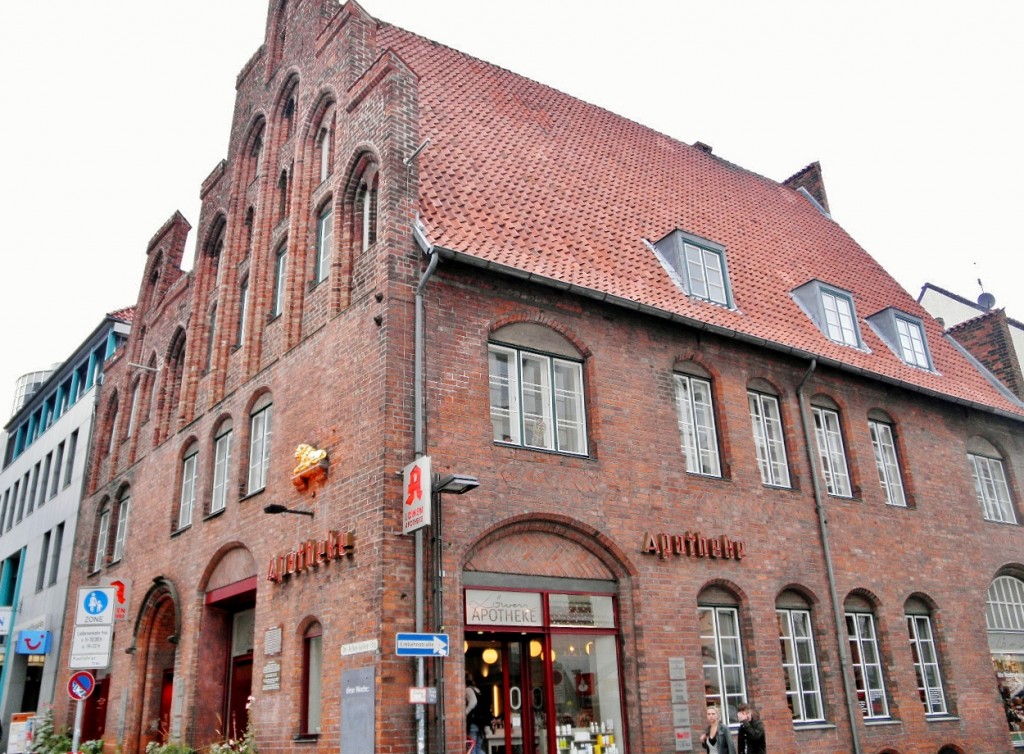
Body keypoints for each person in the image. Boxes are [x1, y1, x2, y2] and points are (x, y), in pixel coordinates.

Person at [466, 672, 486, 754]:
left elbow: (473, 702)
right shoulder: (477, 690)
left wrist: (466, 712)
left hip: (473, 722)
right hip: (480, 723)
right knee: (478, 748)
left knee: (472, 749)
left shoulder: (467, 690)